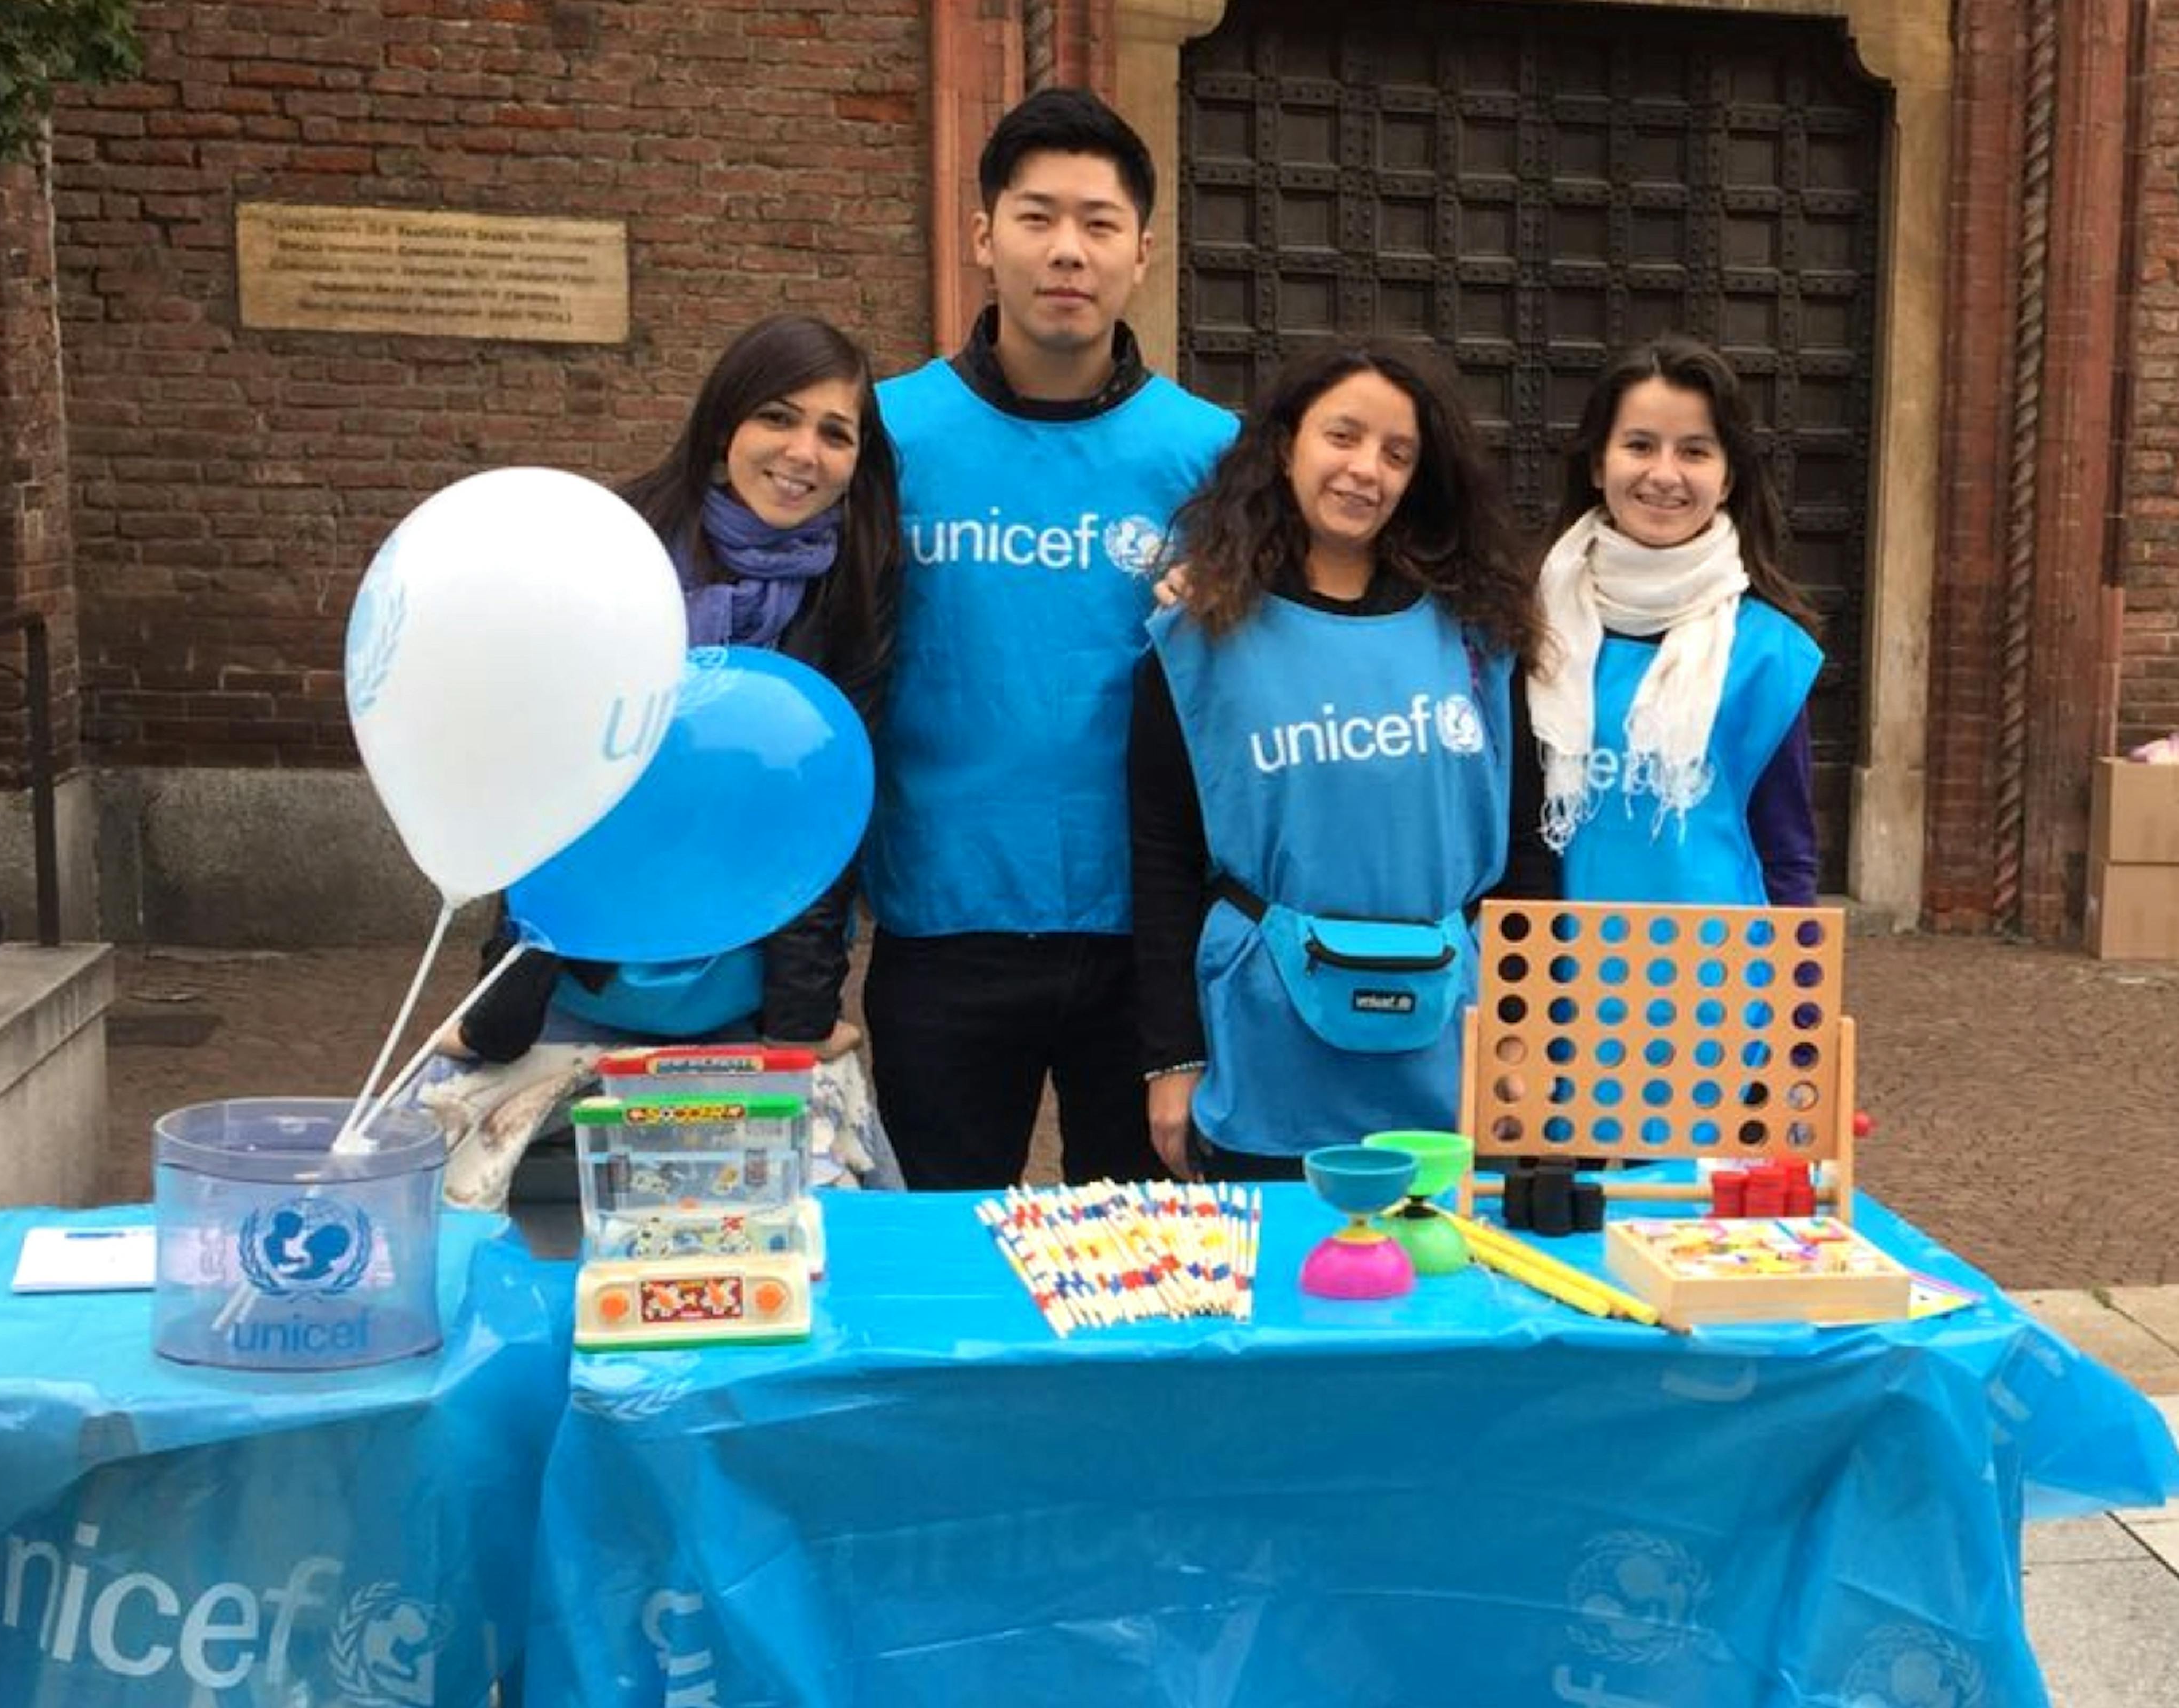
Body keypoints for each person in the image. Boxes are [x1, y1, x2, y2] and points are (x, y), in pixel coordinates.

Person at [429, 311, 904, 1203]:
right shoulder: (617, 547)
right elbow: (543, 779)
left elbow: (825, 808)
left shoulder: (856, 582)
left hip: (745, 980)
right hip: (585, 972)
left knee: (827, 1235)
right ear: (725, 419)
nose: (803, 451)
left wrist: (798, 1017)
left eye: (834, 433)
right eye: (777, 417)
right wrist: (505, 989)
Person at [866, 88, 1237, 1190]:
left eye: (1098, 223)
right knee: (945, 1252)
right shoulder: (889, 432)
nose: (1066, 251)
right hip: (943, 924)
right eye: (1036, 218)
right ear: (984, 236)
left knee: (1147, 1263)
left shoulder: (1214, 454)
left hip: (1149, 937)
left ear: (1144, 251)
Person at [1130, 341, 1556, 1182]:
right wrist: (1171, 1058)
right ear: (1288, 443)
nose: (1367, 470)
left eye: (1397, 454)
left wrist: (1528, 1036)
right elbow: (1162, 861)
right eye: (1343, 437)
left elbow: (1526, 854)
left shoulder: (1479, 636)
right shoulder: (1196, 642)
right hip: (1264, 1051)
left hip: (1446, 1048)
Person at [1527, 335, 1823, 904]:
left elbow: (1788, 854)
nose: (1664, 474)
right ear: (1597, 463)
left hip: (1720, 982)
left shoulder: (1770, 655)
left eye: (1694, 451)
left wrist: (1802, 992)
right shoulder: (1529, 630)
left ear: (1728, 477)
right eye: (1639, 445)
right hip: (1556, 979)